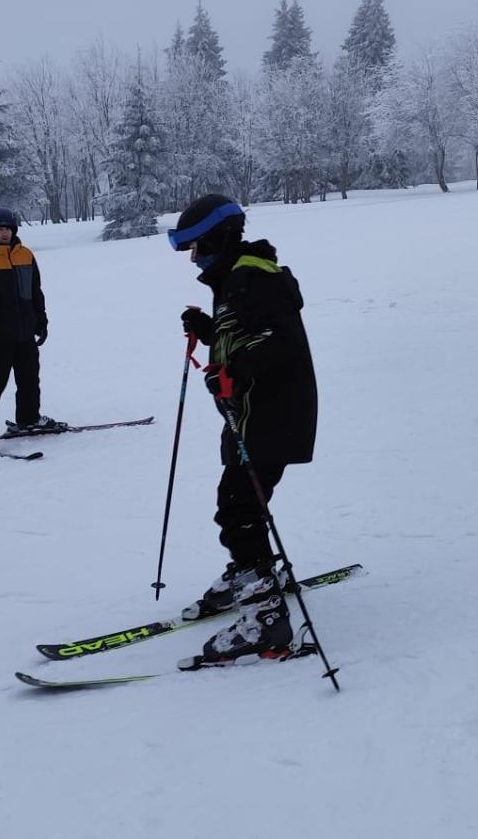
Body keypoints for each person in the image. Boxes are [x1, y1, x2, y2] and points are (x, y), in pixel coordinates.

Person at [168, 194, 320, 665]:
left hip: (273, 412)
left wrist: (237, 371)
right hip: (252, 413)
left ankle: (266, 616)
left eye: (196, 247)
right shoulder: (236, 279)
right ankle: (249, 572)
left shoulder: (254, 277)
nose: (194, 258)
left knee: (237, 506)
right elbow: (245, 334)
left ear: (218, 238)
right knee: (243, 503)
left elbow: (280, 341)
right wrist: (209, 330)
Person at [0, 207, 58, 451]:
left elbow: (35, 292)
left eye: (7, 229)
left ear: (13, 230)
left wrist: (41, 321)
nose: (4, 233)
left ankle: (28, 419)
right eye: (0, 229)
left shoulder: (26, 255)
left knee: (29, 379)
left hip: (25, 333)